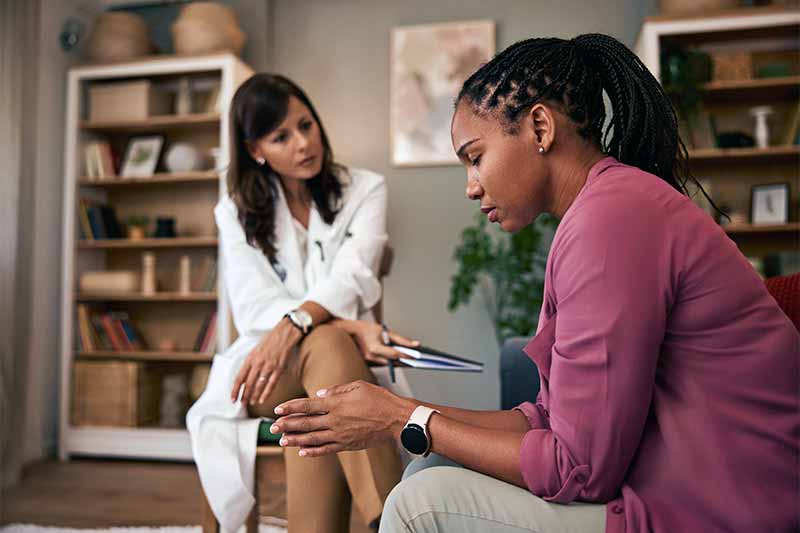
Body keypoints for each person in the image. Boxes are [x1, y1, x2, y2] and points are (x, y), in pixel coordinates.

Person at [269, 34, 800, 533]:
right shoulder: (601, 211)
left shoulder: (612, 220)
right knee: (426, 471)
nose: (471, 187)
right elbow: (547, 420)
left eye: (475, 158)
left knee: (417, 504)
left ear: (541, 129)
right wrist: (392, 415)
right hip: (688, 488)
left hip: (727, 508)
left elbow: (579, 468)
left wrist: (402, 417)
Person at [187, 74, 417, 533]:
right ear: (256, 149)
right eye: (281, 137)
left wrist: (299, 322)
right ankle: (388, 518)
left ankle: (375, 522)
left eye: (306, 125)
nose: (303, 144)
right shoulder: (233, 212)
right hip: (265, 370)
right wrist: (350, 328)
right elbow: (253, 305)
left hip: (327, 370)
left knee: (316, 410)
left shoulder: (366, 189)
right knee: (332, 344)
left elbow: (352, 279)